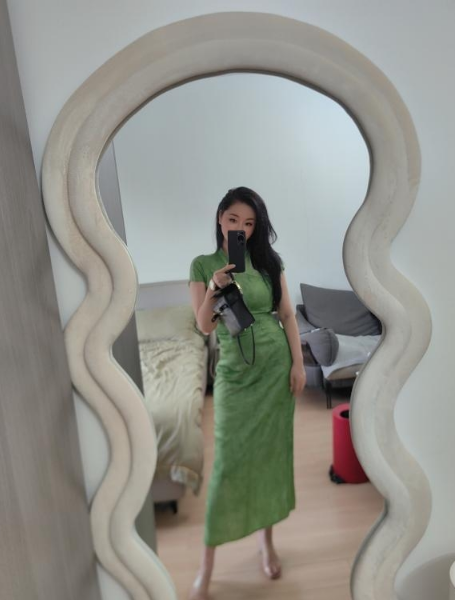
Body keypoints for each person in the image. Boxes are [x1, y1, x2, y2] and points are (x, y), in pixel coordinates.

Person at [188, 187, 306, 600]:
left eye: (250, 223)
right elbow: (204, 326)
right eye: (234, 220)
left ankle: (266, 542)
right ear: (220, 218)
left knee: (268, 457)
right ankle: (206, 566)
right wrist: (213, 288)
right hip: (235, 377)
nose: (241, 228)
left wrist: (298, 364)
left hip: (275, 370)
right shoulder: (203, 265)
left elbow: (286, 314)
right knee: (228, 464)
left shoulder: (270, 262)